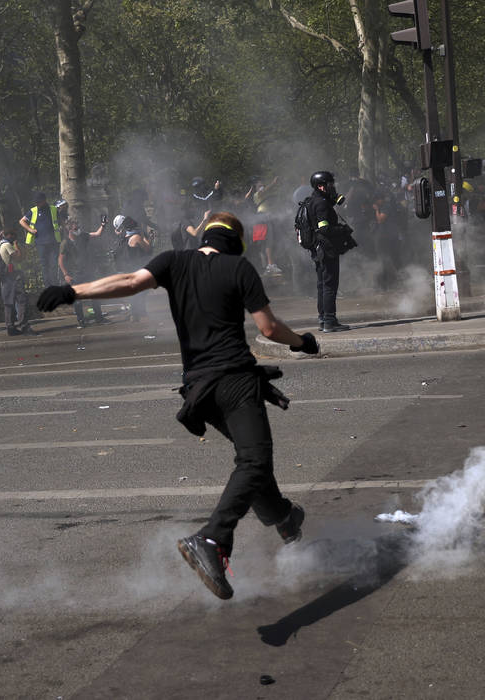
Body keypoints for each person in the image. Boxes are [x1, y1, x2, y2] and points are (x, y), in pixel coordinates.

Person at [37, 211, 318, 600]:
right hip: (236, 381)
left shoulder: (174, 260)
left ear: (203, 235)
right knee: (254, 461)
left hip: (199, 389)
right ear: (236, 241)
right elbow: (269, 328)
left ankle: (284, 518)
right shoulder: (240, 267)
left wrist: (73, 292)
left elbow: (130, 282)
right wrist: (303, 341)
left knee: (249, 459)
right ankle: (213, 539)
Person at [306, 171, 356, 332]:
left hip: (318, 249)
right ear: (321, 186)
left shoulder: (314, 200)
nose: (333, 187)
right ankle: (329, 321)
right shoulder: (320, 203)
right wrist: (342, 230)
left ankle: (323, 319)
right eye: (330, 184)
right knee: (329, 285)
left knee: (322, 285)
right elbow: (324, 228)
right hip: (326, 250)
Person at [58, 220, 103, 328]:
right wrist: (66, 274)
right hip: (75, 274)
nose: (78, 230)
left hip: (88, 271)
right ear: (69, 230)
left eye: (78, 227)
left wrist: (103, 225)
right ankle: (81, 320)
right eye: (75, 229)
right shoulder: (65, 243)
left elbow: (97, 234)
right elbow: (60, 260)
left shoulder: (83, 236)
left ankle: (99, 317)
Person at [0, 228, 32, 336]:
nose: (14, 237)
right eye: (13, 235)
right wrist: (17, 246)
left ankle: (10, 327)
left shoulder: (0, 245)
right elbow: (19, 258)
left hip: (5, 278)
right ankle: (23, 326)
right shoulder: (7, 245)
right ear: (7, 235)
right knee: (21, 301)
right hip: (13, 278)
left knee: (8, 303)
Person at [19, 192, 63, 287]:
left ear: (44, 200)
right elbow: (22, 221)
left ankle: (55, 285)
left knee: (53, 265)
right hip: (40, 242)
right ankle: (48, 287)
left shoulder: (53, 209)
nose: (37, 204)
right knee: (44, 266)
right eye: (36, 202)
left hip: (53, 242)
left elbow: (60, 222)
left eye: (39, 202)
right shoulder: (33, 210)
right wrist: (30, 230)